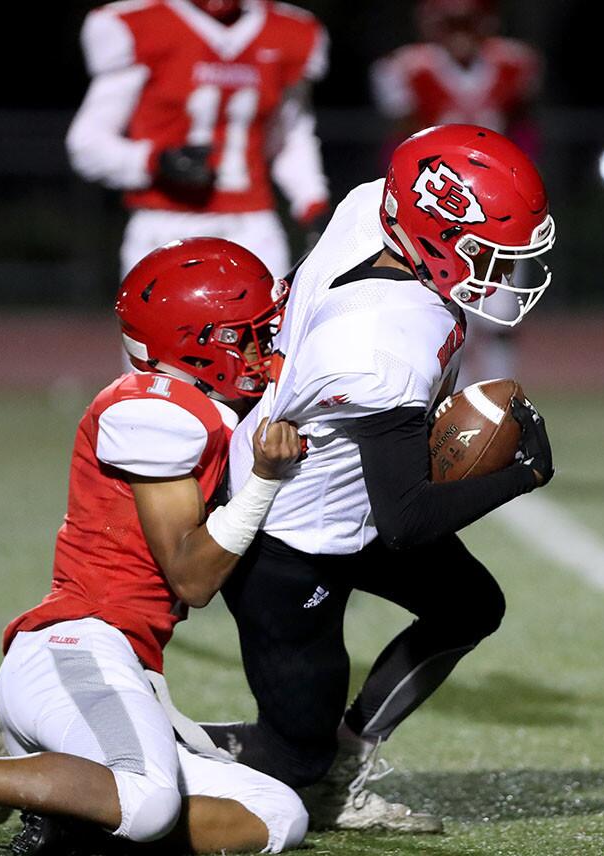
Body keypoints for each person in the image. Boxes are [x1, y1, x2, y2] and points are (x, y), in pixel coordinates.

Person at [0, 239, 308, 854]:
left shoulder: (200, 408)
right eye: (247, 336)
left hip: (120, 665)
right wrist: (266, 481)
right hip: (75, 648)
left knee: (276, 815)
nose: (263, 350)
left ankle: (72, 816)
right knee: (148, 799)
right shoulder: (156, 411)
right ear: (199, 343)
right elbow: (191, 577)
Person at [176, 124, 556, 834]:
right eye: (487, 255)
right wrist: (524, 474)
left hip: (347, 494)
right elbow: (409, 518)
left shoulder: (375, 208)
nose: (501, 276)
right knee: (293, 770)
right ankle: (119, 748)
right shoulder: (383, 343)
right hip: (291, 537)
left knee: (469, 605)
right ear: (436, 234)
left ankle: (347, 756)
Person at [66, 0, 331, 282]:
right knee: (163, 326)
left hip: (252, 225)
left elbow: (289, 138)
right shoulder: (143, 25)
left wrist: (313, 204)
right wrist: (155, 161)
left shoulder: (287, 32)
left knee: (267, 325)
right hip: (165, 223)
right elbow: (86, 144)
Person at [370, 0, 542, 386]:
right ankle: (451, 406)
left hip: (500, 205)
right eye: (452, 23)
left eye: (469, 22)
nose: (461, 34)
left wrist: (523, 182)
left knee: (501, 313)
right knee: (442, 313)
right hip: (437, 211)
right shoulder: (409, 69)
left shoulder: (513, 64)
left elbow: (526, 129)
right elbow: (400, 141)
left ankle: (500, 401)